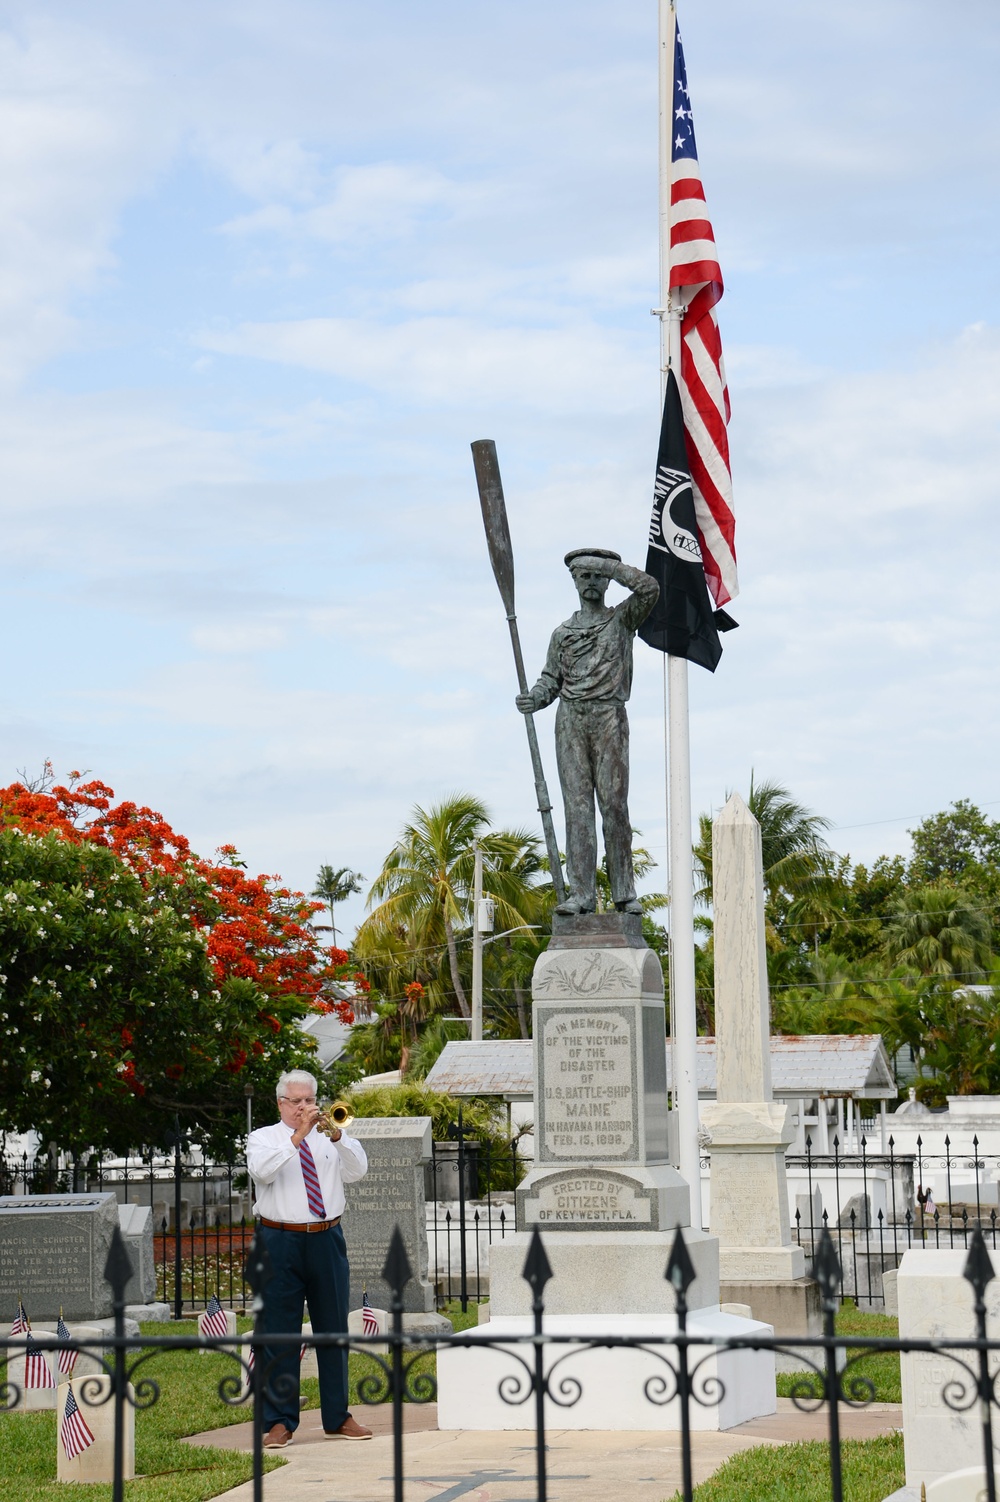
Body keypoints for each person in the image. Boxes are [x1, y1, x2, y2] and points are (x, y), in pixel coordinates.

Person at [516, 548, 658, 915]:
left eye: (597, 576)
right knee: (577, 809)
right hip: (571, 720)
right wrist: (535, 697)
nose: (591, 582)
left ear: (608, 579)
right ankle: (581, 894)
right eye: (584, 575)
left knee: (613, 806)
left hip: (609, 716)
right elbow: (551, 679)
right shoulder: (562, 633)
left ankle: (624, 891)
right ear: (574, 581)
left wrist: (607, 566)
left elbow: (649, 589)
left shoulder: (622, 619)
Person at [246, 1069, 371, 1447]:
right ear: (281, 1103)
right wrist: (297, 1137)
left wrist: (337, 1136)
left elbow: (358, 1171)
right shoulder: (263, 1138)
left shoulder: (330, 1136)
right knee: (280, 1332)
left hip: (326, 1237)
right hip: (278, 1239)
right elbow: (262, 1172)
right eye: (296, 1101)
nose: (304, 1108)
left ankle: (337, 1416)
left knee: (332, 1327)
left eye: (308, 1100)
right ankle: (280, 1421)